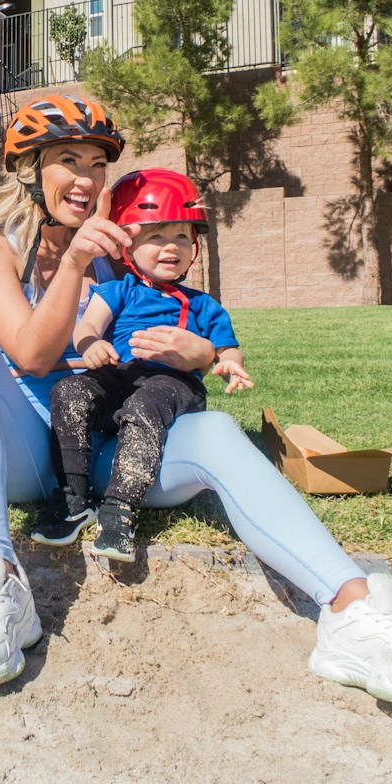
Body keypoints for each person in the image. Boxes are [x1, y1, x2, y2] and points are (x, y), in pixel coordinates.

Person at [0, 94, 392, 707]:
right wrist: (76, 260)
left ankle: (355, 611)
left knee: (213, 432)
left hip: (113, 445)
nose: (85, 179)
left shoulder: (117, 254)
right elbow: (31, 355)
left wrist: (202, 357)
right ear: (28, 170)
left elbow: (182, 335)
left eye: (96, 165)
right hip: (30, 447)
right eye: (67, 161)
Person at [32, 168, 253, 562]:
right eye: (157, 236)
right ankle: (72, 501)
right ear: (129, 247)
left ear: (195, 248)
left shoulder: (204, 305)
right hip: (120, 376)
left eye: (182, 237)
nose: (172, 247)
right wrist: (92, 346)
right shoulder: (117, 290)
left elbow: (225, 349)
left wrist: (229, 365)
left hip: (173, 385)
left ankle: (120, 510)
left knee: (144, 405)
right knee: (68, 392)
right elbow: (87, 327)